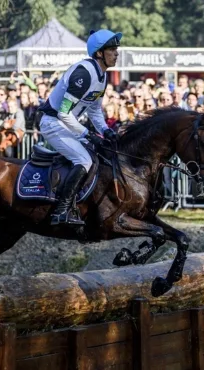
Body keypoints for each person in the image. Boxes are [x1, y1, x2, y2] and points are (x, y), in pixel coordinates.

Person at [37, 29, 120, 227]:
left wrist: (106, 130)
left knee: (99, 154)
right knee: (83, 160)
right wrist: (89, 134)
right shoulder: (84, 73)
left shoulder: (102, 76)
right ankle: (61, 210)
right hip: (52, 123)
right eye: (112, 50)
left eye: (117, 50)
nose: (117, 53)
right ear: (99, 53)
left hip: (66, 124)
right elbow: (63, 113)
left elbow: (94, 110)